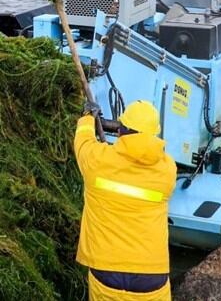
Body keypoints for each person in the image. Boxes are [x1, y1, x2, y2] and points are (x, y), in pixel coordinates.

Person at [73, 100, 177, 300]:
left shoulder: (97, 160)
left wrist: (87, 117)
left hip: (106, 270)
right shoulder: (167, 171)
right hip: (151, 273)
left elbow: (83, 140)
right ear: (154, 135)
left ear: (120, 130)